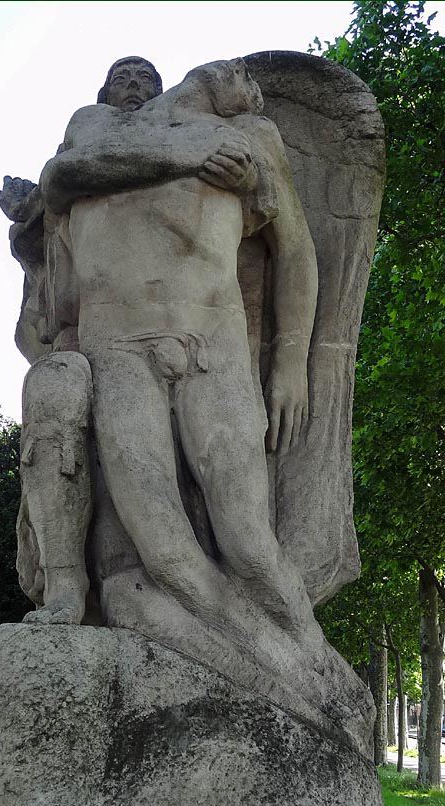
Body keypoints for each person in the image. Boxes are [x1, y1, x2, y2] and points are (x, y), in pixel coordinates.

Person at [32, 57, 321, 643]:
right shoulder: (96, 124)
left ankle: (312, 671)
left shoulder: (252, 138)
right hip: (119, 350)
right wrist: (189, 156)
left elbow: (295, 250)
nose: (257, 95)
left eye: (145, 77)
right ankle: (281, 676)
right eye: (249, 81)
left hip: (213, 344)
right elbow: (62, 176)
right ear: (218, 76)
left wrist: (292, 362)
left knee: (251, 548)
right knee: (163, 553)